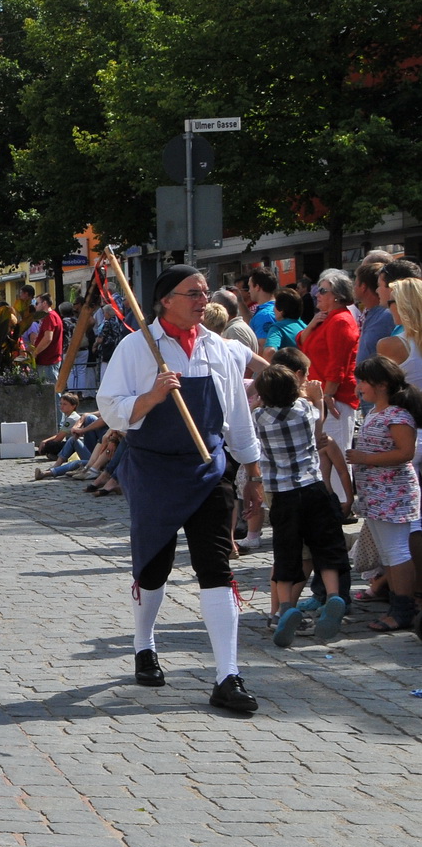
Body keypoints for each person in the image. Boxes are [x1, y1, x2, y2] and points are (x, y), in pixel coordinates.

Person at [97, 264, 263, 714]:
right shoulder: (137, 348)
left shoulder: (221, 350)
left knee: (216, 568)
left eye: (205, 292)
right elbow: (110, 409)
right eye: (193, 292)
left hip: (209, 470)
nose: (202, 299)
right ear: (165, 299)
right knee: (155, 565)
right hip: (154, 472)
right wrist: (150, 398)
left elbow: (238, 418)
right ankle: (144, 644)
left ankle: (227, 675)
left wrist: (254, 474)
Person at [250, 362, 350, 647]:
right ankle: (333, 596)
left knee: (286, 550)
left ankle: (284, 608)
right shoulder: (305, 411)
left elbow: (252, 419)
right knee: (325, 545)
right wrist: (316, 397)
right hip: (313, 487)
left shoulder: (260, 417)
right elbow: (317, 424)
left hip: (283, 494)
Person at [344, 355, 421, 634]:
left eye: (364, 381)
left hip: (393, 495)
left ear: (382, 384)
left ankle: (403, 609)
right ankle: (398, 603)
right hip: (376, 495)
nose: (359, 385)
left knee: (396, 550)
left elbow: (405, 452)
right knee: (388, 553)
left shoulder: (397, 416)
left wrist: (365, 457)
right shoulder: (377, 412)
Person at [298, 269, 360, 504]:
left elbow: (338, 364)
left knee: (336, 452)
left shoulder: (341, 321)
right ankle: (330, 503)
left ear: (337, 295)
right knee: (322, 452)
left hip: (335, 399)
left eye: (322, 291)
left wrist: (328, 396)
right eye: (317, 290)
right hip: (320, 397)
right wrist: (312, 324)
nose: (317, 295)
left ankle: (342, 504)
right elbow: (303, 344)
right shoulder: (326, 318)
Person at [354, 262, 397, 366]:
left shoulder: (386, 316)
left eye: (355, 283)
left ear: (363, 287)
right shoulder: (370, 314)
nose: (353, 287)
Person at [264, 289, 307, 355]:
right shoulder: (305, 327)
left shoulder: (277, 328)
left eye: (274, 305)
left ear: (281, 310)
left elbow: (269, 351)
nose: (273, 309)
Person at [243, 269, 279, 348]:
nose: (249, 291)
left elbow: (264, 349)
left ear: (257, 287)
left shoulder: (264, 315)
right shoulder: (277, 307)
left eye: (250, 286)